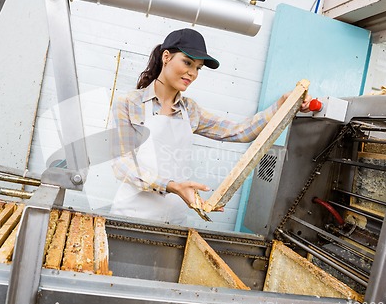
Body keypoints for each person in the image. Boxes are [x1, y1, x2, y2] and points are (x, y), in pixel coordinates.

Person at [109, 28, 311, 225]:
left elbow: (239, 132)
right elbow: (121, 165)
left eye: (198, 68)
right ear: (166, 57)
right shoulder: (129, 103)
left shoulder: (190, 110)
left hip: (173, 221)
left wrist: (281, 105)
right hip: (131, 217)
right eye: (187, 62)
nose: (192, 73)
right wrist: (172, 186)